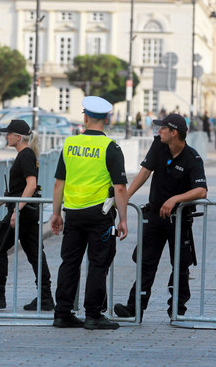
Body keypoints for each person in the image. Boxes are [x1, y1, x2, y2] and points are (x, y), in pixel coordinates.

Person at [114, 113, 207, 320]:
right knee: (145, 261)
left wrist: (175, 199)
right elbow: (144, 173)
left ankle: (177, 308)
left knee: (181, 265)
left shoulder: (192, 158)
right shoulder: (158, 145)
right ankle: (134, 307)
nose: (159, 131)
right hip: (155, 216)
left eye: (163, 128)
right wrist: (124, 198)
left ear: (174, 133)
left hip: (178, 220)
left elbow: (201, 190)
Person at [51, 96, 128, 330]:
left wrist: (56, 214)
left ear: (85, 117)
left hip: (73, 213)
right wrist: (123, 218)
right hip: (100, 215)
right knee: (98, 263)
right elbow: (120, 188)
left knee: (69, 263)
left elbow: (58, 184)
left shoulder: (69, 144)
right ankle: (93, 314)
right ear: (106, 118)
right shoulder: (111, 148)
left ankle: (62, 313)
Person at [0, 120, 54, 311]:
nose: (6, 137)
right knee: (35, 254)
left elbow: (31, 185)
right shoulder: (27, 154)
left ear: (18, 137)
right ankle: (45, 297)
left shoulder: (25, 155)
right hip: (28, 210)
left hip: (23, 212)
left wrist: (16, 211)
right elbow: (19, 188)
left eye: (8, 134)